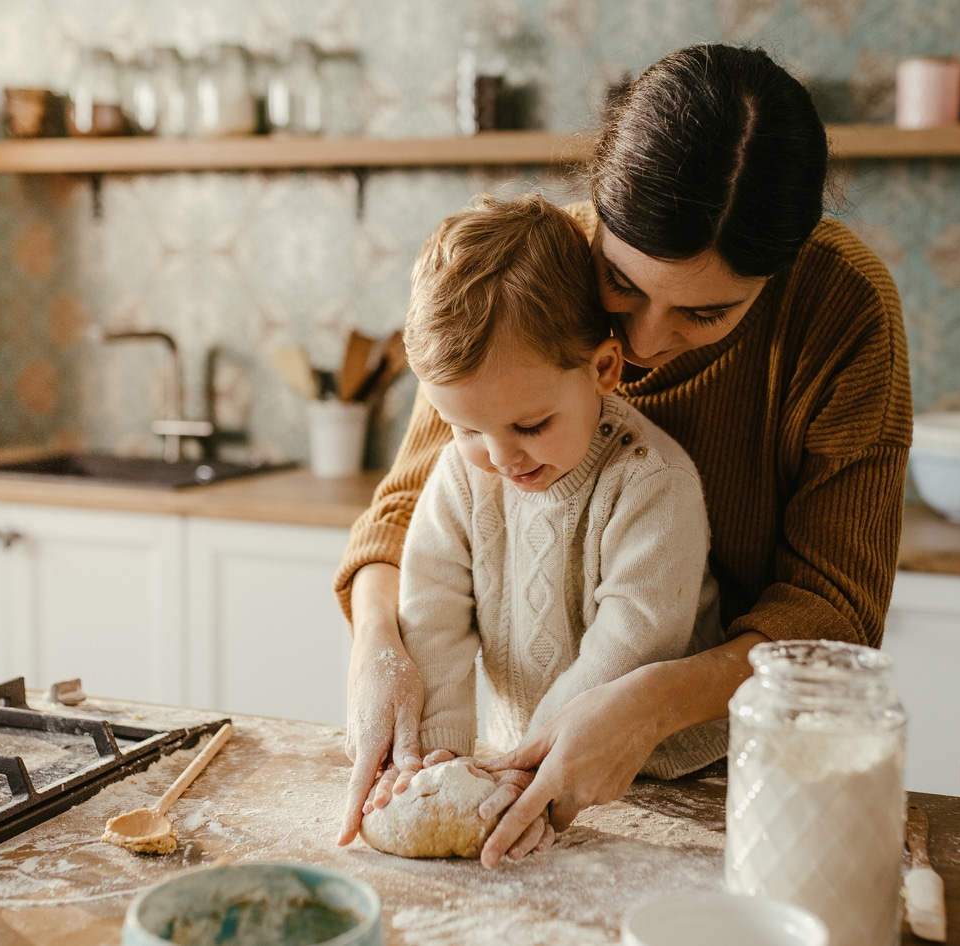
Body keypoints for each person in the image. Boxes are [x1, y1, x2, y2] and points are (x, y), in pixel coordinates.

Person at [336, 42, 913, 867]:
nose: (640, 345)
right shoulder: (533, 273)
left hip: (734, 767)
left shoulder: (842, 307)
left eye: (705, 315)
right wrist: (378, 650)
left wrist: (646, 703)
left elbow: (835, 614)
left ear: (778, 273)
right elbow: (408, 514)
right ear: (597, 210)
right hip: (519, 755)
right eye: (623, 284)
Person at [366, 193, 729, 859]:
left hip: (678, 781)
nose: (502, 457)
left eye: (530, 425)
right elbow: (433, 610)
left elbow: (629, 644)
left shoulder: (652, 483)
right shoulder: (460, 473)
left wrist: (527, 772)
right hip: (520, 763)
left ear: (604, 370)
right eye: (468, 427)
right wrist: (439, 761)